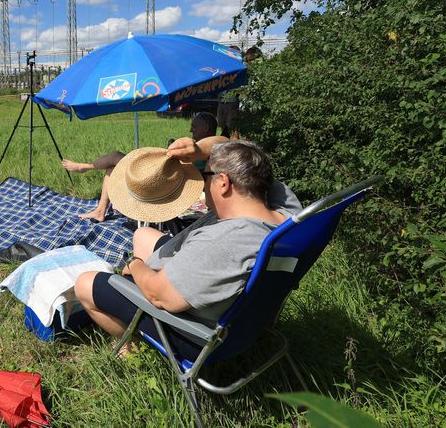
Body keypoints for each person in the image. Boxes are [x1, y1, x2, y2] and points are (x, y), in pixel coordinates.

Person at [74, 139, 298, 357]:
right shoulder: (286, 208)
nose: (202, 183)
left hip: (197, 334)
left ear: (222, 182)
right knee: (142, 235)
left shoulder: (222, 243)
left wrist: (134, 265)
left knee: (85, 284)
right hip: (246, 315)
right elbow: (237, 148)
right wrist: (199, 150)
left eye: (205, 174)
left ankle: (134, 345)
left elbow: (159, 295)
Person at [61, 112, 218, 222]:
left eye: (194, 127)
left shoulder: (211, 152)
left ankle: (85, 167)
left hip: (173, 183)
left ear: (205, 128)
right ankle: (100, 210)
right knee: (111, 168)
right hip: (169, 177)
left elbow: (221, 141)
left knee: (115, 156)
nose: (190, 130)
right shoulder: (194, 147)